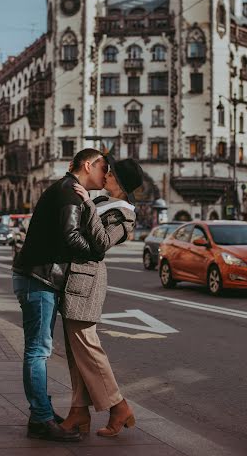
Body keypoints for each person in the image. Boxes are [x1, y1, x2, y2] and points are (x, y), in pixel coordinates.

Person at [12, 148, 108, 442]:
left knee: (39, 350)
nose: (105, 175)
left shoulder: (66, 189)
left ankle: (40, 412)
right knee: (38, 351)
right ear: (88, 165)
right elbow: (70, 236)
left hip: (39, 276)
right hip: (37, 278)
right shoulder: (69, 193)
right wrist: (96, 251)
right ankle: (41, 419)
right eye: (103, 168)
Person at [60, 156, 144, 437]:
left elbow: (102, 243)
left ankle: (119, 406)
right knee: (77, 352)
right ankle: (78, 412)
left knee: (88, 347)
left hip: (87, 282)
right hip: (74, 279)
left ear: (119, 182)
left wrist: (85, 204)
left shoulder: (125, 213)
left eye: (111, 172)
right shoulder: (101, 202)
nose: (105, 173)